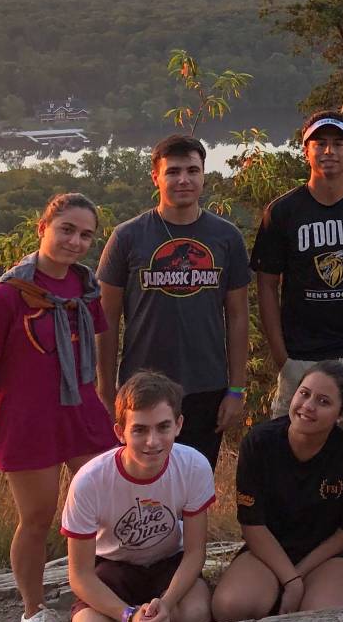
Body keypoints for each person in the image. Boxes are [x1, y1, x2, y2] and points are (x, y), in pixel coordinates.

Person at [0, 192, 119, 622]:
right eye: (67, 230)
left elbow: (91, 350)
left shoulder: (84, 287)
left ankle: (104, 590)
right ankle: (32, 611)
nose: (75, 241)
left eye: (86, 234)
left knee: (110, 502)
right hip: (28, 416)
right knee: (37, 517)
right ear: (43, 228)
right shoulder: (9, 294)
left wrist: (104, 401)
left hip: (81, 409)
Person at [97, 133, 253, 467]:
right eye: (173, 171)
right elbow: (105, 319)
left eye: (192, 171)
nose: (183, 179)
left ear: (203, 176)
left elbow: (238, 316)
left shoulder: (226, 237)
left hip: (206, 386)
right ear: (156, 177)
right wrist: (105, 388)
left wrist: (236, 389)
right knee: (140, 479)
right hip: (140, 386)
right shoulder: (128, 236)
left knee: (194, 481)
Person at [253, 112, 343, 439]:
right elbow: (266, 286)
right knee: (292, 448)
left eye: (338, 143)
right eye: (319, 143)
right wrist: (283, 358)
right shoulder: (282, 213)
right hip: (303, 358)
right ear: (306, 150)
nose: (329, 151)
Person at [60, 371, 215, 622]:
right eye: (140, 429)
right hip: (112, 568)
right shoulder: (90, 481)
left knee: (195, 614)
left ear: (179, 425)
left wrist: (167, 604)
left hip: (170, 563)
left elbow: (194, 553)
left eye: (163, 427)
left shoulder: (194, 466)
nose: (152, 441)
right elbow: (80, 574)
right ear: (120, 432)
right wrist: (127, 615)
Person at [211, 361, 343, 622]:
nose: (308, 406)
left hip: (329, 553)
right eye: (304, 394)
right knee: (231, 606)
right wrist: (291, 578)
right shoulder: (260, 443)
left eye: (323, 401)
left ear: (341, 415)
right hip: (271, 548)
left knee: (320, 619)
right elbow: (253, 524)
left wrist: (298, 575)